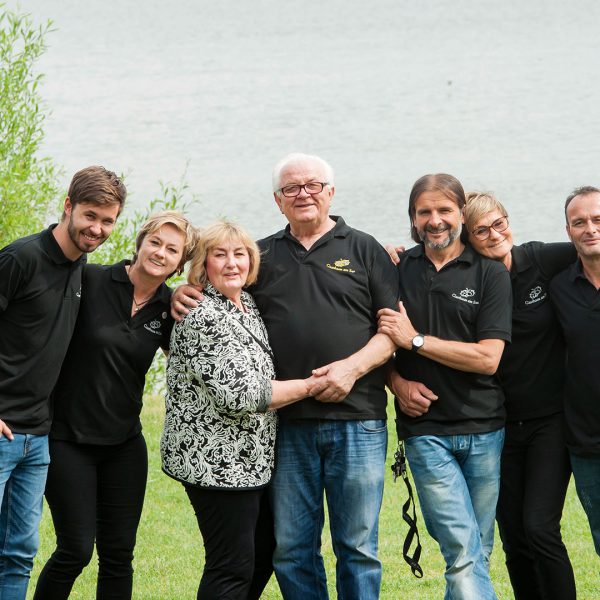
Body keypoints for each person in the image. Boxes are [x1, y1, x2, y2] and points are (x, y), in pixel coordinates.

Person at [172, 153, 399, 600]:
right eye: (291, 189)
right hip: (289, 426)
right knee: (293, 547)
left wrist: (349, 370)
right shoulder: (262, 255)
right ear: (278, 201)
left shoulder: (366, 248)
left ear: (330, 192)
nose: (303, 194)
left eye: (313, 185)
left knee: (357, 546)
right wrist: (182, 289)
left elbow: (393, 331)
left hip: (359, 420)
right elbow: (222, 290)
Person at [31, 211, 196, 599]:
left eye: (172, 249)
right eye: (155, 242)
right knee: (75, 550)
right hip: (67, 438)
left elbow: (199, 357)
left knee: (119, 554)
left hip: (124, 445)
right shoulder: (89, 279)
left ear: (181, 262)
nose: (160, 253)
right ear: (139, 243)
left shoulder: (170, 308)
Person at [161, 220, 327, 600]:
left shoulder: (245, 302)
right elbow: (242, 395)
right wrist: (314, 386)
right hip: (214, 461)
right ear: (203, 265)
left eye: (240, 254)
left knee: (263, 552)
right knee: (230, 565)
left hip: (247, 460)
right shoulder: (203, 314)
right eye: (219, 255)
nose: (231, 263)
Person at [378, 174, 512, 600]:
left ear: (460, 215)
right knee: (462, 548)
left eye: (444, 211)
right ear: (413, 219)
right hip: (426, 431)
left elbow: (488, 358)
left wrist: (416, 341)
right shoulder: (396, 269)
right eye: (424, 213)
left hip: (486, 429)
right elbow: (373, 339)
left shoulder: (490, 273)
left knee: (474, 550)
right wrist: (396, 381)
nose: (435, 221)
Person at [0, 166, 126, 600]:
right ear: (68, 207)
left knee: (19, 551)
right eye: (90, 215)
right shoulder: (20, 258)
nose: (97, 228)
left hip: (38, 436)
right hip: (1, 431)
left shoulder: (80, 265)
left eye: (108, 221)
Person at [462, 192, 577, 600]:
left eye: (499, 222)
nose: (495, 234)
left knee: (540, 527)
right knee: (513, 535)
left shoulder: (541, 259)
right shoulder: (469, 280)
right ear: (468, 239)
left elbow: (590, 246)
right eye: (481, 230)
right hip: (499, 425)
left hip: (551, 420)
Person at [550, 185, 600, 558]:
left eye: (598, 219)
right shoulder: (559, 287)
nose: (590, 228)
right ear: (568, 232)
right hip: (588, 443)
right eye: (579, 222)